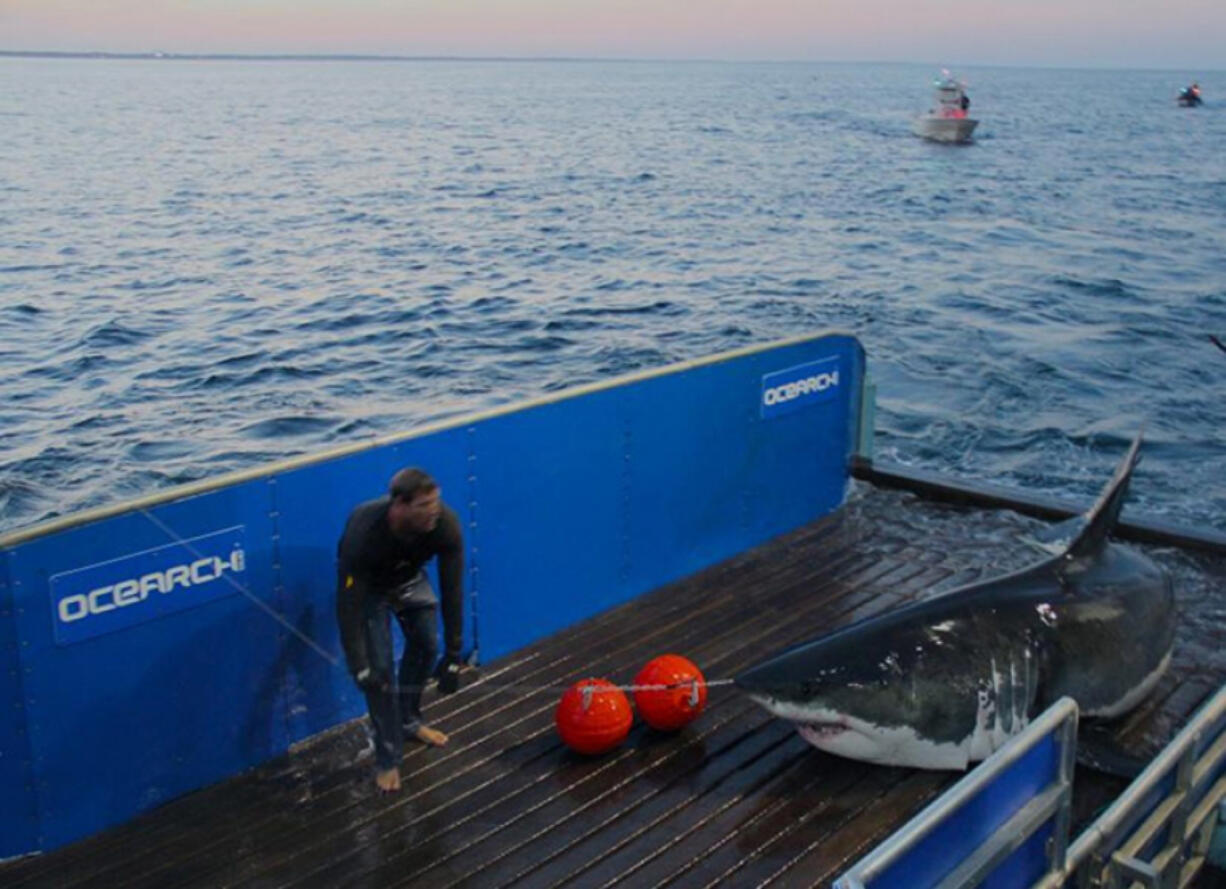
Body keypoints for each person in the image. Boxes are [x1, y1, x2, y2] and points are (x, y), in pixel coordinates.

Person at [336, 467, 465, 792]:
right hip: (369, 591)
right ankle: (388, 758)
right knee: (378, 673)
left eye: (436, 501)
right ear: (399, 507)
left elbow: (453, 591)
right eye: (424, 505)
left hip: (408, 578)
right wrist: (358, 664)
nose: (434, 510)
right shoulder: (364, 533)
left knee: (427, 645)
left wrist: (453, 653)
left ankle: (409, 720)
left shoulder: (444, 524)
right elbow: (347, 603)